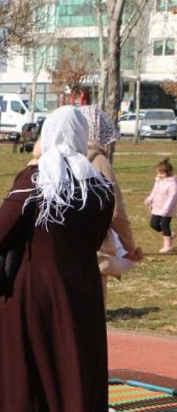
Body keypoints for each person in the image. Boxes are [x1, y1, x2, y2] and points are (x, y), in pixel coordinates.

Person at [0, 106, 116, 412]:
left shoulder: (35, 179)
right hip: (81, 296)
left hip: (30, 294)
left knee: (25, 383)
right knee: (75, 382)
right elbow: (96, 236)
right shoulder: (99, 186)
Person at [80, 105, 143, 292]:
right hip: (93, 253)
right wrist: (130, 248)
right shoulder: (97, 160)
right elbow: (116, 211)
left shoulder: (53, 157)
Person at [144, 157, 177, 254]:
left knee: (164, 224)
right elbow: (154, 191)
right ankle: (170, 235)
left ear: (169, 172)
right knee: (153, 224)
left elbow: (173, 196)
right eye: (158, 173)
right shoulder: (158, 181)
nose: (159, 175)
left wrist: (167, 208)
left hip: (167, 209)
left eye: (162, 173)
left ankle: (168, 245)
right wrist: (149, 199)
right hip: (157, 207)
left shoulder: (172, 184)